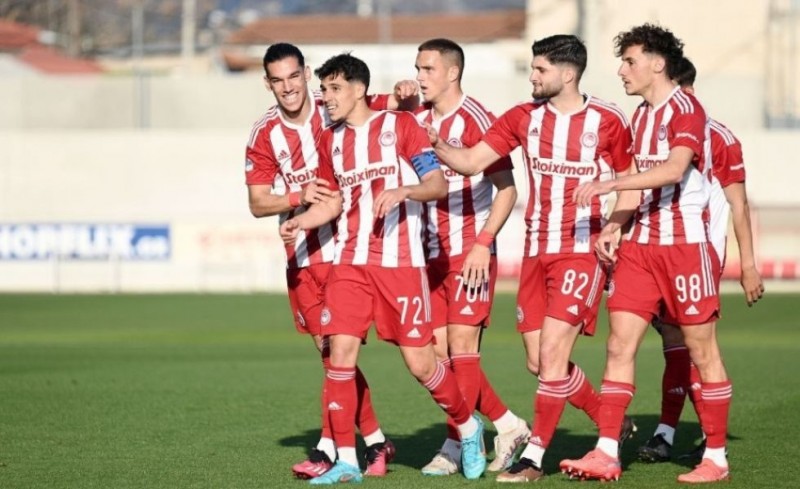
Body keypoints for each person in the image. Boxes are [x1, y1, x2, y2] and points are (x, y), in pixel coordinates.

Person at [426, 34, 635, 483]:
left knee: (554, 351)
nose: (533, 76)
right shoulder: (523, 117)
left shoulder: (608, 120)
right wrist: (437, 145)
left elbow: (630, 181)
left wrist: (614, 227)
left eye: (541, 69)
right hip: (536, 252)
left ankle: (534, 458)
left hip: (581, 251)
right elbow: (473, 161)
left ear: (568, 74)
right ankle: (609, 420)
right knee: (540, 363)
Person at [279, 53, 487, 485]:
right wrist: (302, 220)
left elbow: (436, 184)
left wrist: (403, 191)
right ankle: (347, 461)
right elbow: (332, 203)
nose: (326, 97)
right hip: (349, 264)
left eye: (335, 89)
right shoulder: (330, 141)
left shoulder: (402, 126)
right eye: (324, 90)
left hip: (400, 265)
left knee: (422, 365)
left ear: (359, 89)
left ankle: (468, 427)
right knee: (339, 357)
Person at [559, 24, 732, 483]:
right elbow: (638, 178)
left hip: (685, 248)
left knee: (701, 350)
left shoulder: (687, 110)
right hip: (640, 249)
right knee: (619, 344)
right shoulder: (639, 116)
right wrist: (615, 224)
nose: (622, 70)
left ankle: (716, 458)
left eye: (630, 61)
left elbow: (674, 170)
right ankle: (606, 451)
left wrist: (609, 184)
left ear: (657, 64)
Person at [244, 42, 419, 479]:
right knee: (332, 359)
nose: (288, 87)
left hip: (348, 252)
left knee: (339, 356)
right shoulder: (264, 133)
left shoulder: (335, 101)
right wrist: (297, 196)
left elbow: (392, 105)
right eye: (277, 80)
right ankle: (373, 441)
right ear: (267, 84)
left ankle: (332, 448)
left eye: (293, 76)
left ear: (306, 74)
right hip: (304, 255)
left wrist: (407, 91)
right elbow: (258, 202)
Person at [410, 38, 530, 477]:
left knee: (462, 349)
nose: (420, 77)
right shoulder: (416, 118)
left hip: (469, 253)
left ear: (453, 72)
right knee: (435, 357)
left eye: (427, 69)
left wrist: (483, 242)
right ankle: (508, 424)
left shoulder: (477, 118)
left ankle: (454, 445)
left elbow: (507, 190)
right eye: (417, 69)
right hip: (430, 254)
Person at [636, 57, 765, 464]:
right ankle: (671, 432)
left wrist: (748, 265)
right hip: (654, 249)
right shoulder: (648, 124)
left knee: (695, 345)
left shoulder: (718, 137)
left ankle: (702, 440)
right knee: (674, 342)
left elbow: (738, 204)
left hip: (696, 251)